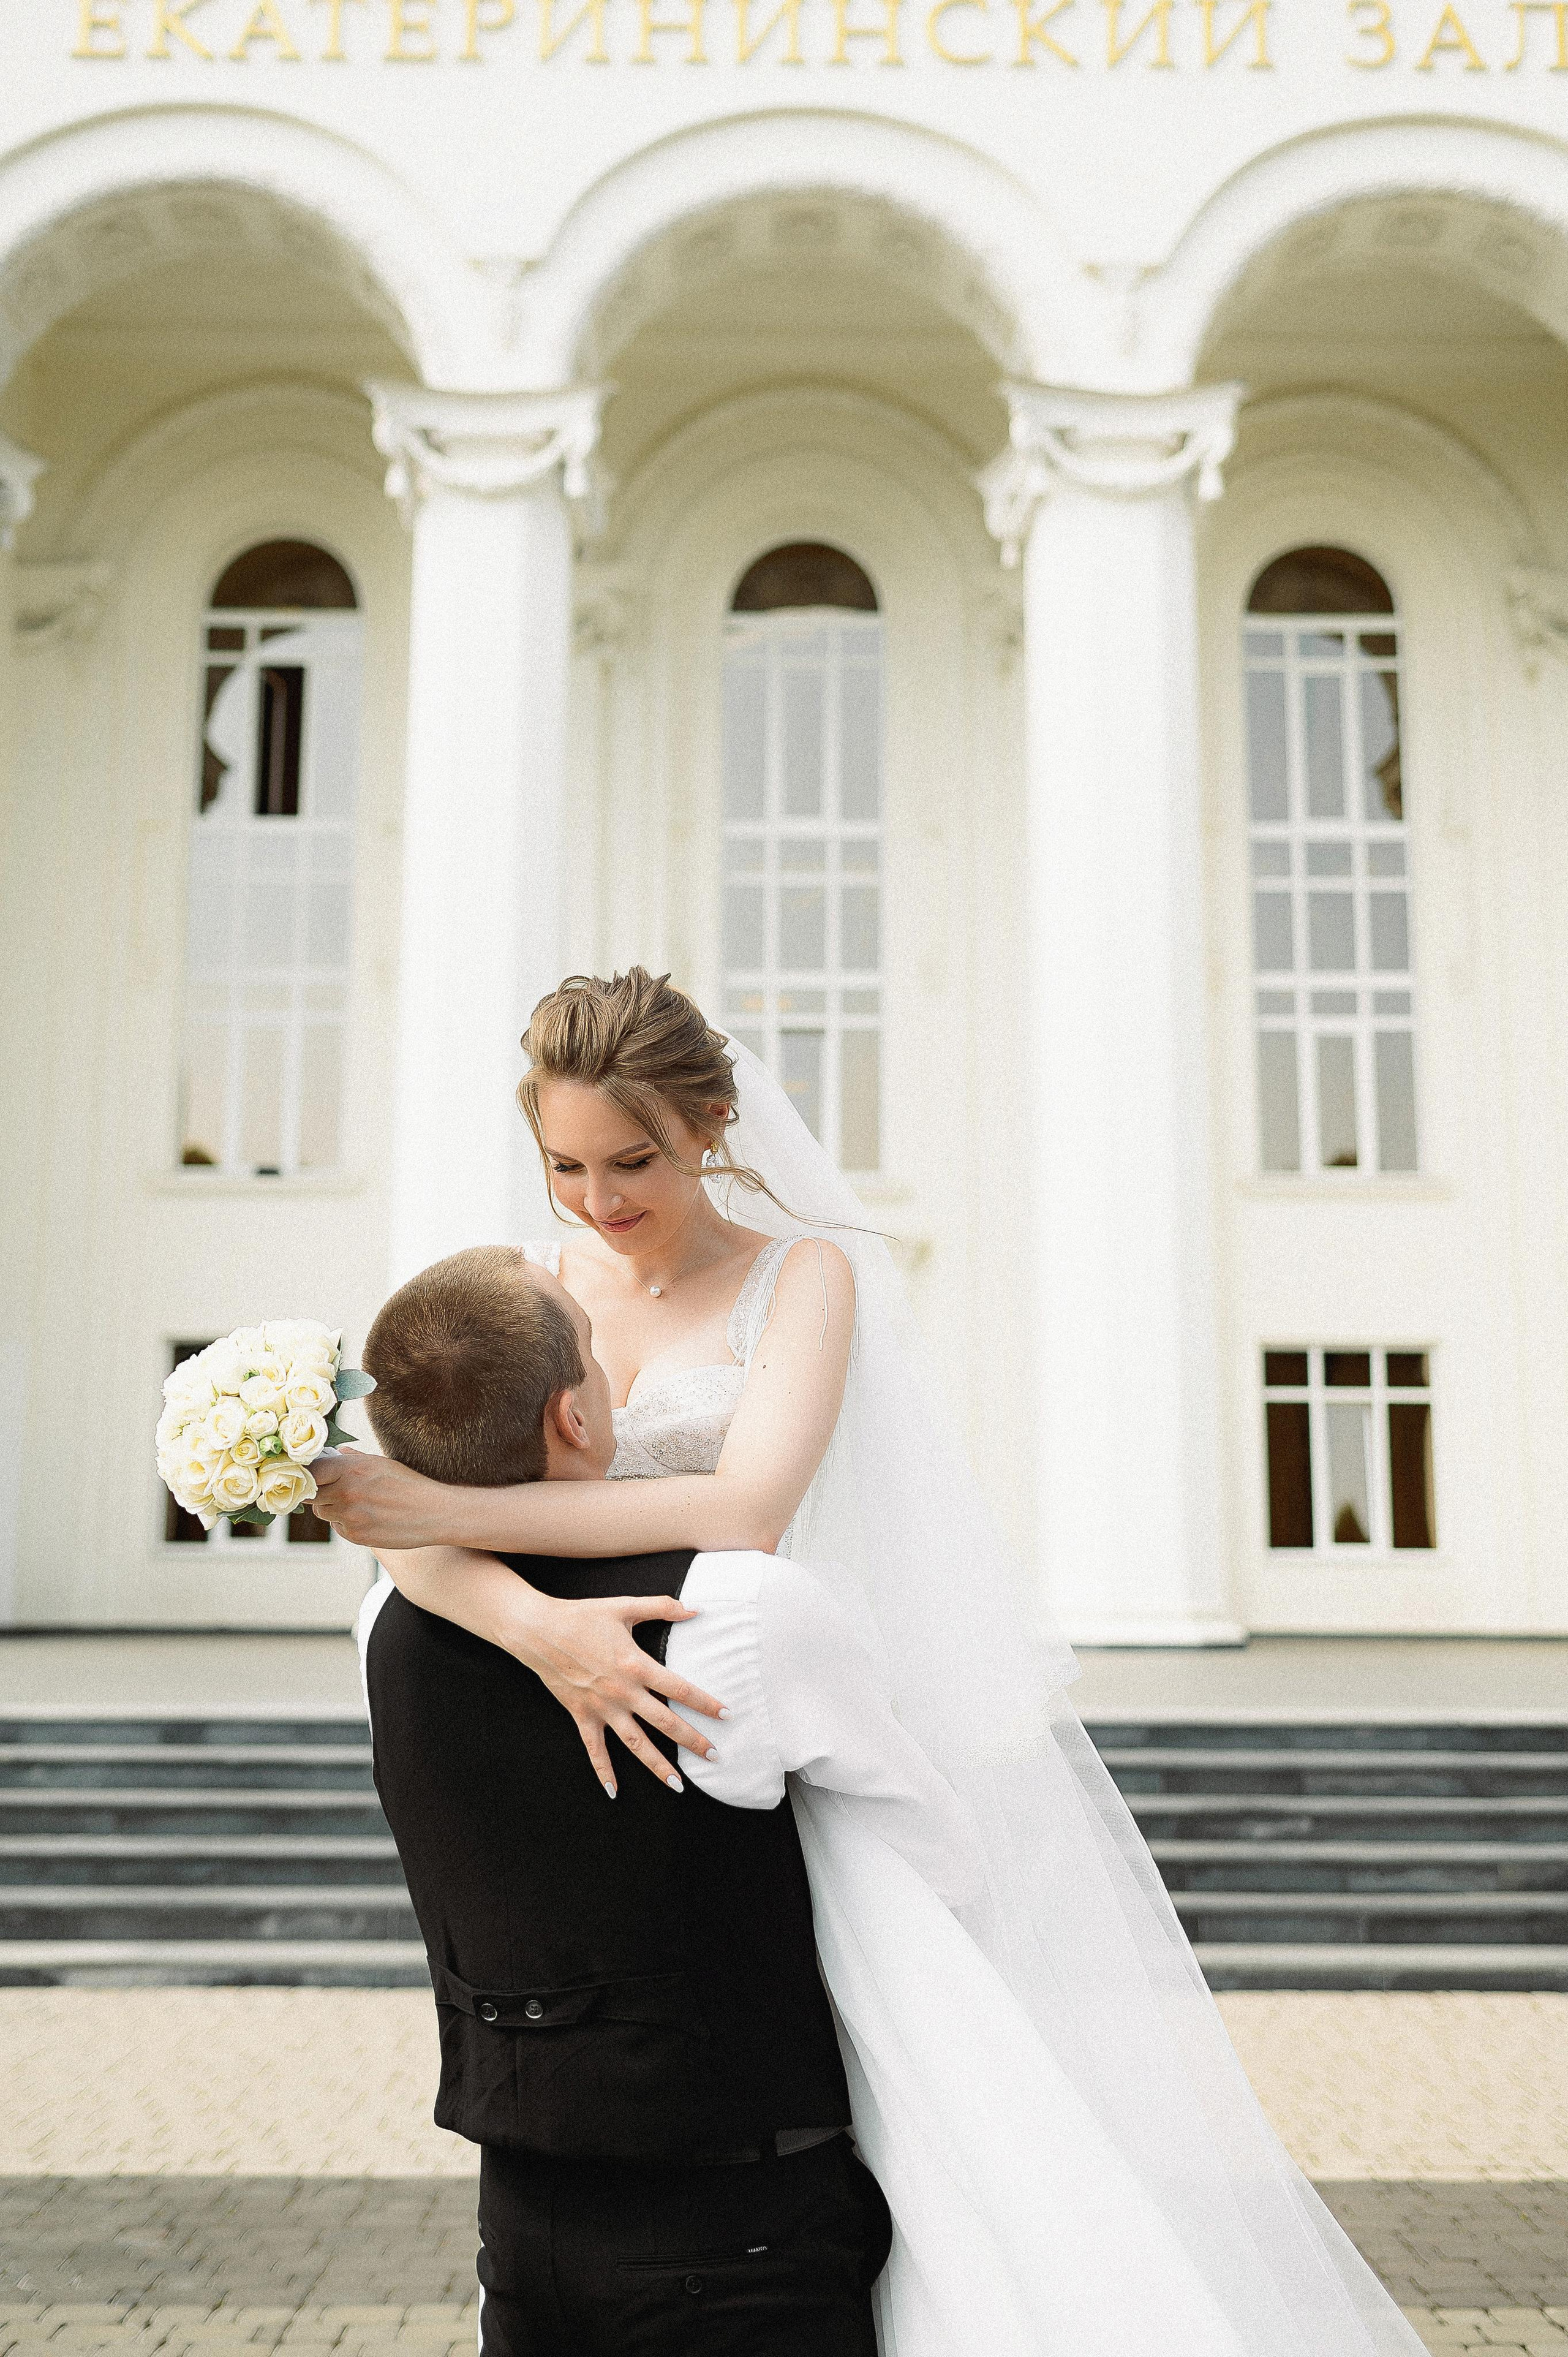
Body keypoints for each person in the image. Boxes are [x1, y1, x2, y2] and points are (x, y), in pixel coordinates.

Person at [316, 967, 1425, 2357]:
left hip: (758, 1706)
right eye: (564, 1166)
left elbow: (742, 1510)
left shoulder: (802, 1275)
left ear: (713, 1123)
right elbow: (388, 1534)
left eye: (634, 1161)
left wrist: (456, 1521)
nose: (598, 1201)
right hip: (592, 1731)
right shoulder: (531, 1293)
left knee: (932, 2150)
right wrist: (535, 1625)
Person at [356, 1243, 975, 2355]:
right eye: (597, 1357)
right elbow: (932, 1864)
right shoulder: (734, 1612)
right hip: (735, 2227)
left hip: (518, 2217)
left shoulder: (389, 1626)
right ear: (577, 1419)